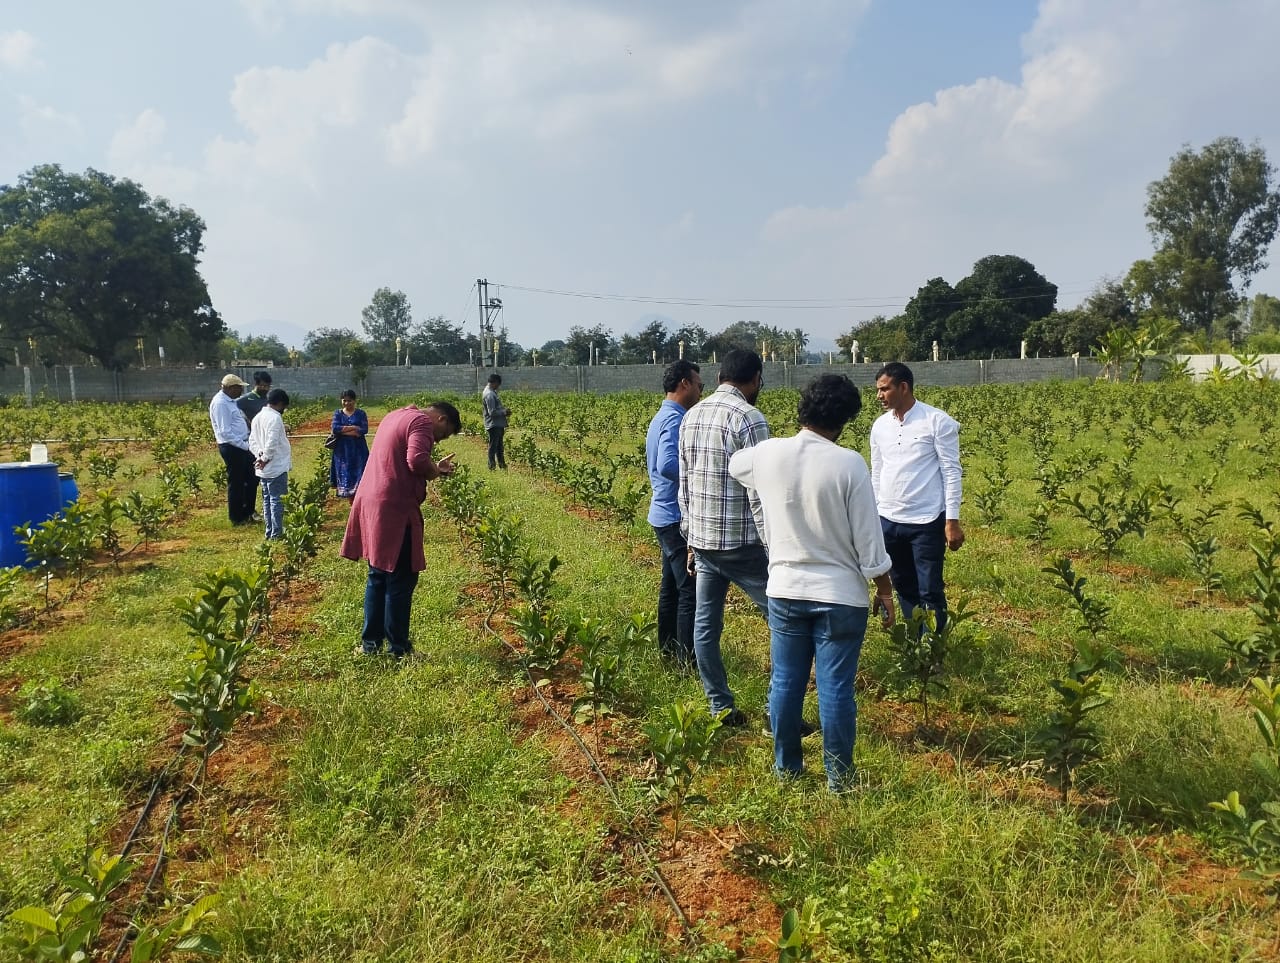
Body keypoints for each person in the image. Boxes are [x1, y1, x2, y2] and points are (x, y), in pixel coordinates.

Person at [730, 375, 895, 792]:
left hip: (785, 588)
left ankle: (787, 769)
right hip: (840, 596)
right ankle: (839, 779)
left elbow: (734, 464)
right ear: (844, 420)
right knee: (835, 688)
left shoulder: (766, 455)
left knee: (785, 681)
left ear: (801, 409)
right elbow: (869, 540)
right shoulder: (849, 463)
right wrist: (885, 588)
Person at [678, 348, 770, 726]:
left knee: (706, 625)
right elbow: (760, 490)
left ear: (718, 378)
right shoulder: (749, 418)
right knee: (784, 622)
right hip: (743, 544)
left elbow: (684, 483)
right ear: (755, 380)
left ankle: (720, 707)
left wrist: (688, 536)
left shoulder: (691, 415)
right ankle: (775, 711)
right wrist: (774, 544)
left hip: (703, 541)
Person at [341, 401, 462, 659]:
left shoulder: (395, 416)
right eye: (443, 434)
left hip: (373, 501)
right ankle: (399, 649)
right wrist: (433, 472)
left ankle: (370, 645)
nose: (437, 441)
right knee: (401, 577)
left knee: (379, 574)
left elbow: (404, 458)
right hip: (394, 507)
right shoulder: (420, 422)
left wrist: (435, 468)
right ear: (441, 420)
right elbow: (417, 461)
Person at [870, 362, 965, 634]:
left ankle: (934, 650)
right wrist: (875, 513)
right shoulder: (879, 427)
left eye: (884, 389)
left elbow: (951, 471)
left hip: (926, 521)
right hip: (888, 519)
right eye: (878, 390)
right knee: (902, 584)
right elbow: (877, 472)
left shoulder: (936, 421)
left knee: (930, 588)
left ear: (903, 387)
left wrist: (951, 520)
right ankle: (914, 642)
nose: (879, 396)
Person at [645, 360, 703, 669]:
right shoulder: (677, 419)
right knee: (689, 591)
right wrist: (699, 473)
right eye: (698, 384)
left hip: (661, 513)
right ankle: (687, 663)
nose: (699, 390)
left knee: (670, 587)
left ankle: (667, 651)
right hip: (673, 516)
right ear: (684, 384)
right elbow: (667, 465)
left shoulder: (662, 416)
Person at [208, 373, 258, 526]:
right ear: (230, 388)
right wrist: (246, 446)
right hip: (233, 447)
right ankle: (237, 517)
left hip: (242, 445)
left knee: (251, 479)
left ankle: (248, 511)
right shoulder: (220, 403)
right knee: (236, 483)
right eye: (239, 388)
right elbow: (225, 432)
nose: (241, 391)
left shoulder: (230, 401)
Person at [249, 388, 292, 540]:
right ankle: (276, 533)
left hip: (263, 467)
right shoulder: (275, 418)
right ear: (280, 403)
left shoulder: (258, 417)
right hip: (275, 466)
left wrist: (259, 456)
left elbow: (252, 442)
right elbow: (272, 443)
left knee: (267, 500)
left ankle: (270, 531)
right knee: (276, 500)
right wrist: (265, 458)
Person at [329, 389, 370, 498]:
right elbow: (335, 428)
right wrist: (353, 428)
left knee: (359, 467)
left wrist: (344, 431)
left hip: (358, 448)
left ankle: (359, 492)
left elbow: (364, 429)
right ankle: (345, 491)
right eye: (344, 400)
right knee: (344, 468)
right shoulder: (338, 413)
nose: (347, 403)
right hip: (342, 449)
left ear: (354, 401)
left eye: (349, 401)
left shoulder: (361, 413)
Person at [481, 373, 510, 470]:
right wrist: (504, 412)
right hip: (494, 424)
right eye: (498, 384)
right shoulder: (489, 394)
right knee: (494, 446)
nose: (498, 387)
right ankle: (492, 466)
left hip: (496, 423)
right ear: (495, 383)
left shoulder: (490, 392)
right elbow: (492, 412)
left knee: (498, 446)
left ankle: (502, 465)